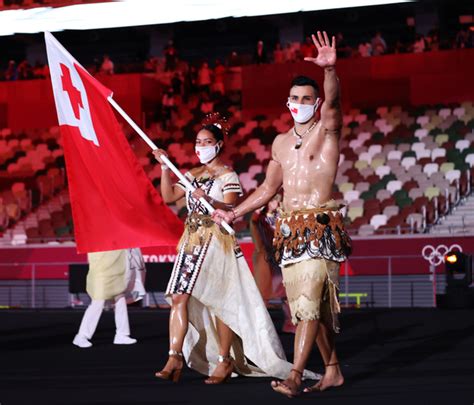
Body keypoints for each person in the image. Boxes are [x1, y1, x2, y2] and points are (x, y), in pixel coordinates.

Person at [212, 31, 352, 397]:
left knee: (305, 305)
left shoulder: (327, 129)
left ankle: (295, 374)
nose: (300, 103)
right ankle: (333, 370)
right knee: (312, 307)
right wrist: (233, 213)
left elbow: (334, 102)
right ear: (287, 102)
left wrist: (330, 70)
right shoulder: (280, 143)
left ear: (316, 102)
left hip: (321, 227)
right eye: (295, 99)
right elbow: (266, 189)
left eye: (308, 99)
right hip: (289, 232)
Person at [152, 113, 318, 385]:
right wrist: (164, 168)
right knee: (179, 296)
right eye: (198, 141)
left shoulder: (228, 175)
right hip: (191, 240)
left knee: (220, 303)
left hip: (215, 241)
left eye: (207, 141)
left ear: (218, 145)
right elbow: (169, 197)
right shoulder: (192, 175)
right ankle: (174, 356)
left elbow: (233, 208)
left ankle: (223, 359)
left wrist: (210, 201)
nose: (201, 146)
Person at [72, 248, 146, 348]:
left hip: (118, 269)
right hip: (101, 270)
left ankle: (122, 334)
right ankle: (81, 336)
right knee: (98, 303)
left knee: (120, 300)